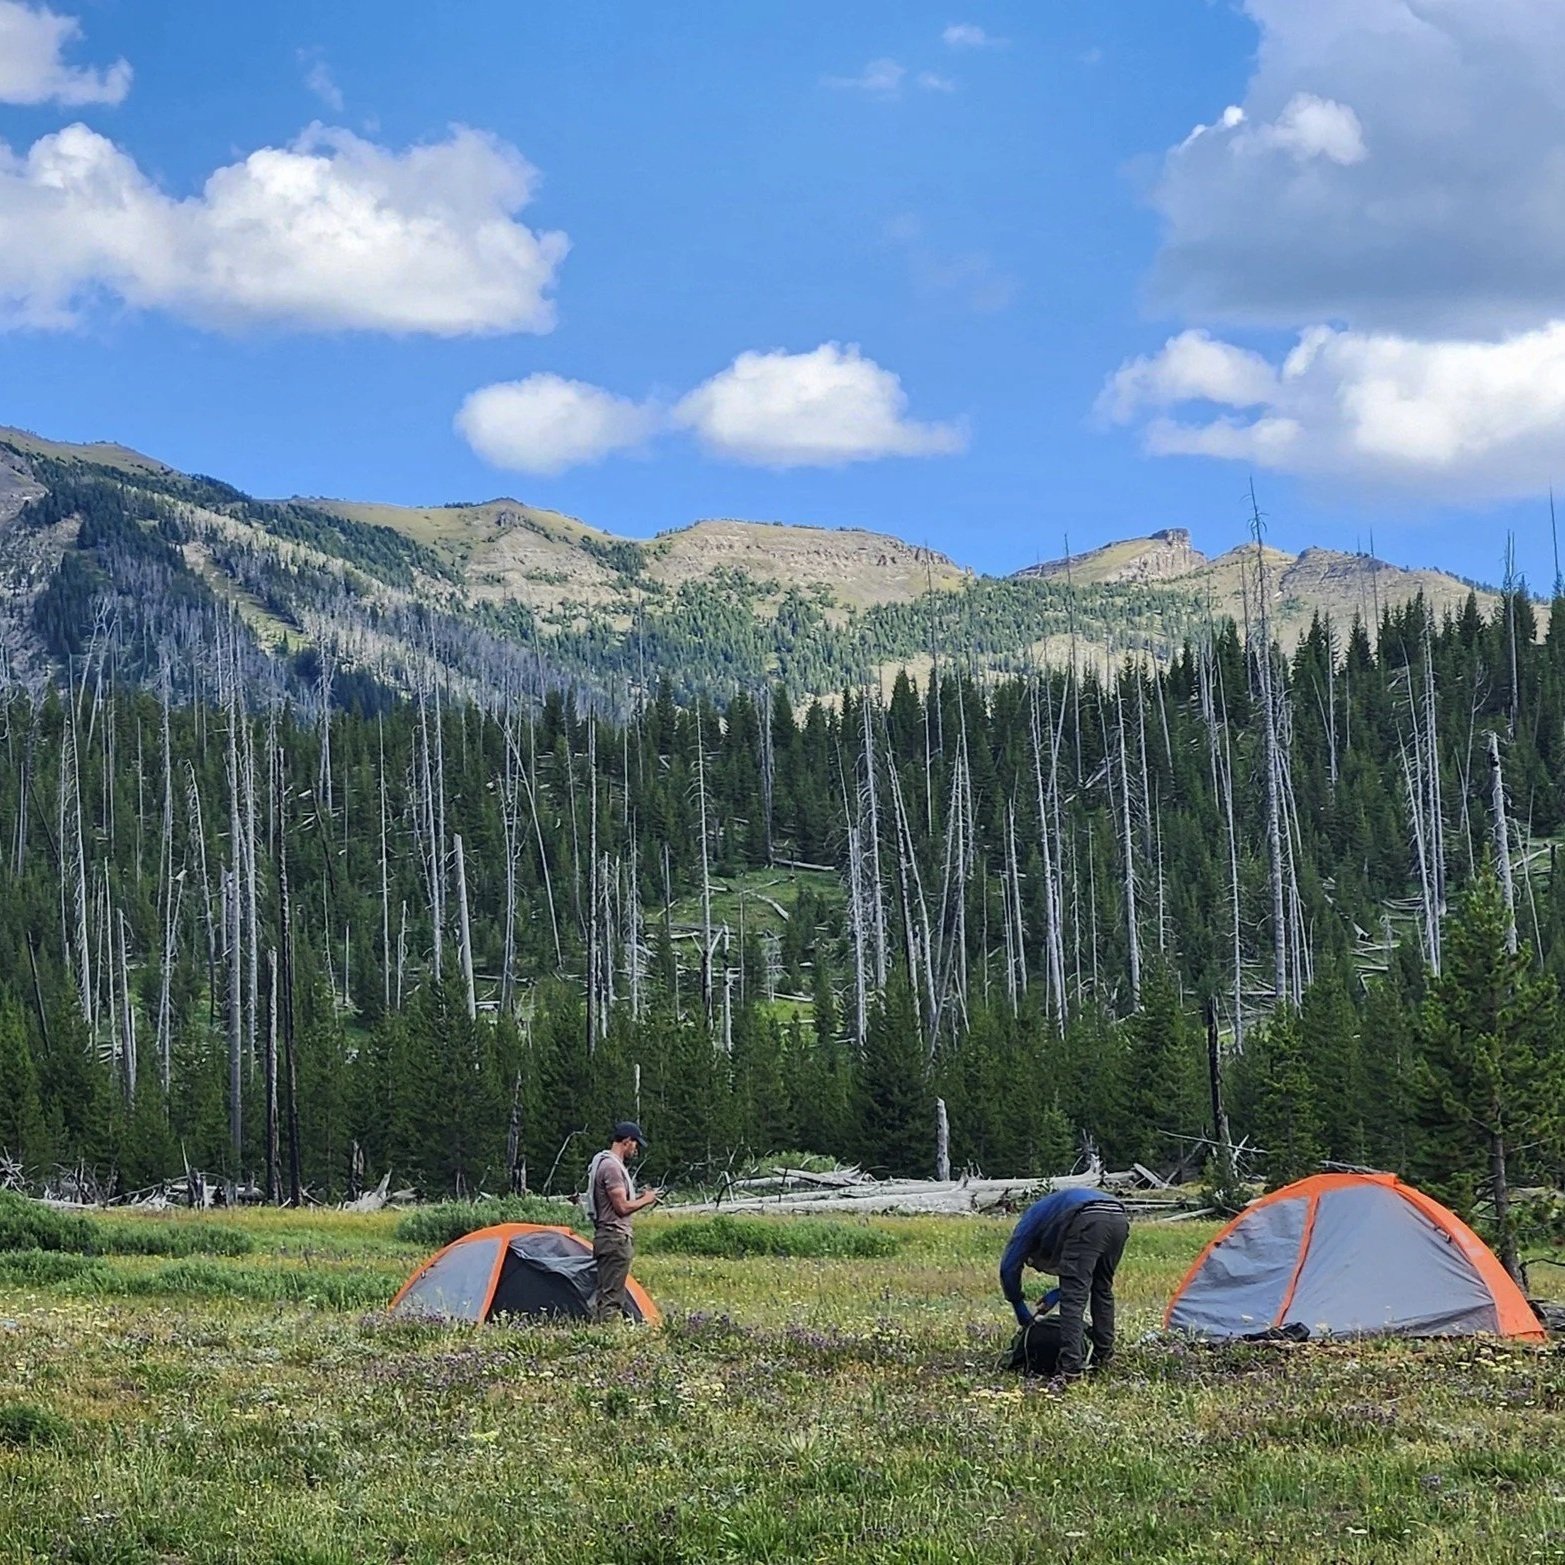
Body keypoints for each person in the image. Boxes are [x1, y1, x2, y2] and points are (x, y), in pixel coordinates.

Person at [999, 1186, 1129, 1386]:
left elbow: (1008, 1268)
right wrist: (1053, 1296)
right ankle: (1104, 1355)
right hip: (1118, 1217)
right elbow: (1087, 1276)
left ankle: (1070, 1369)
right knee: (1102, 1289)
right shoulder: (1050, 1216)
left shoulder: (1028, 1225)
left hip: (1085, 1217)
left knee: (1073, 1300)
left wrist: (1021, 1310)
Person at [586, 1121, 661, 1322]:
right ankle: (609, 1338)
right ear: (627, 1141)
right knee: (612, 1298)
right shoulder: (611, 1167)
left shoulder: (604, 1163)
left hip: (607, 1238)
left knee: (604, 1294)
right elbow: (621, 1207)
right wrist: (646, 1199)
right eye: (635, 1143)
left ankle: (598, 1335)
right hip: (614, 1238)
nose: (636, 1148)